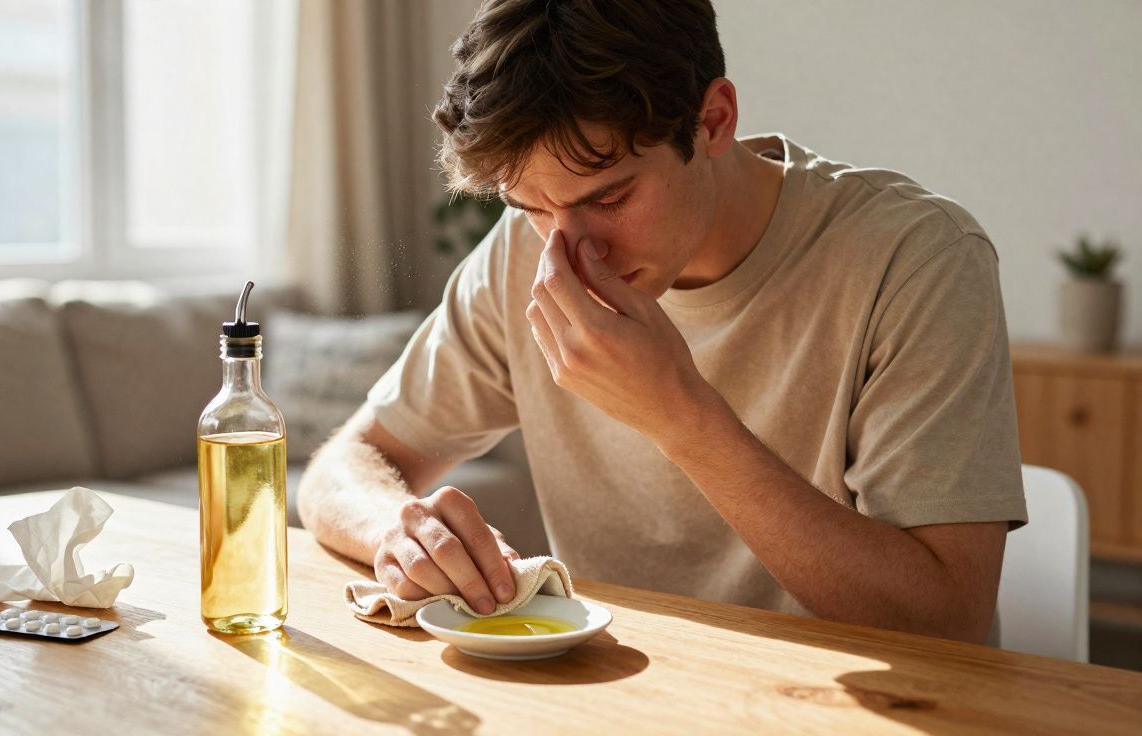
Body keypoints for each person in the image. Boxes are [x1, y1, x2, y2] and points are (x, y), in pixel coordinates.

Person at [298, 0, 1027, 645]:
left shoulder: (916, 260)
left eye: (609, 199)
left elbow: (946, 621)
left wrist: (680, 417)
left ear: (713, 121)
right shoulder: (522, 256)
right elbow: (344, 466)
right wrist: (399, 530)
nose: (569, 251)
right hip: (626, 695)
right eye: (531, 207)